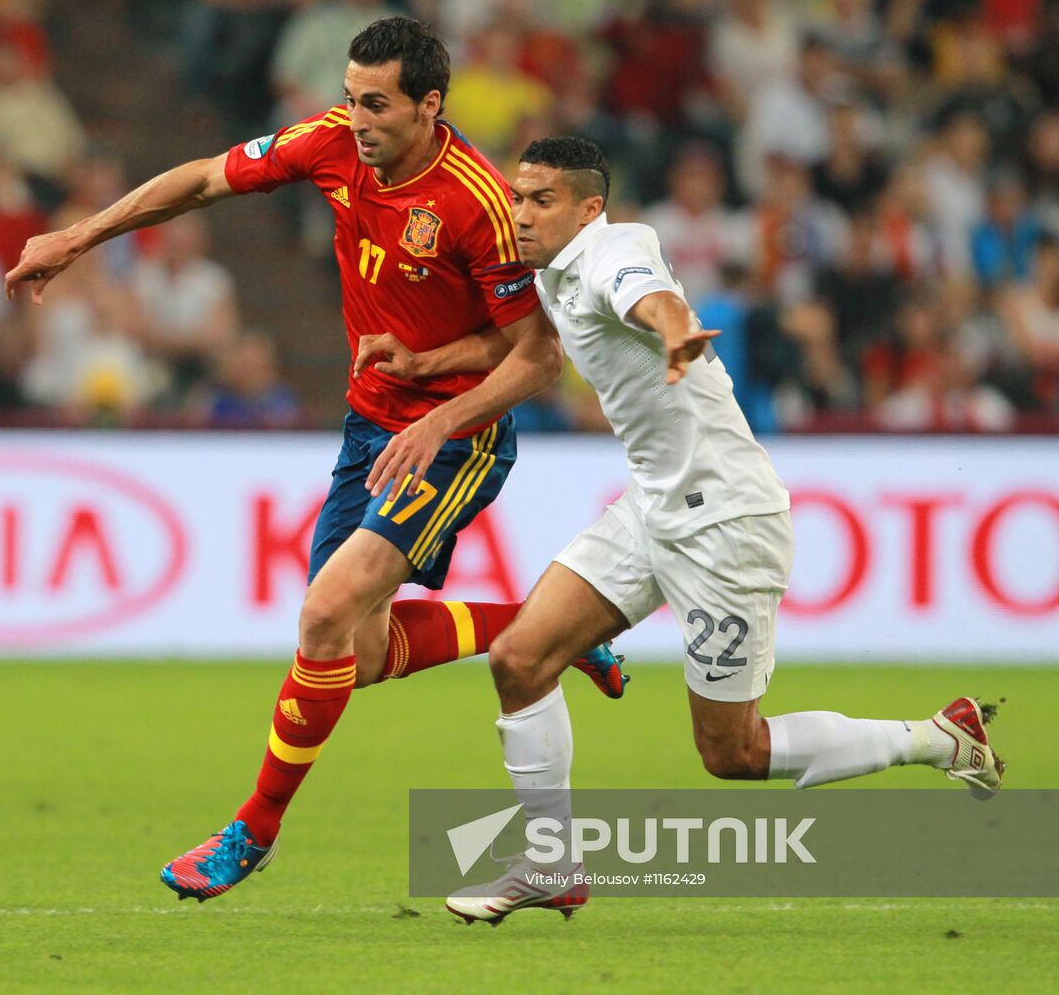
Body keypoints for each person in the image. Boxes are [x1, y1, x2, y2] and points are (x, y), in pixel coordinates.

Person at [3, 18, 625, 905]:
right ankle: (550, 630)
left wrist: (435, 414)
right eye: (350, 97)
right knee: (353, 654)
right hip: (369, 428)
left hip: (456, 439)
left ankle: (249, 834)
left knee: (325, 614)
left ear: (429, 106)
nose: (357, 118)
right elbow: (204, 179)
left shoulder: (478, 202)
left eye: (377, 104)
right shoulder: (331, 144)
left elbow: (532, 356)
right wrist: (79, 236)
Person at [359, 137, 1007, 925]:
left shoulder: (611, 256)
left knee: (732, 754)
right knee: (521, 658)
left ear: (589, 208)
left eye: (541, 201)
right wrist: (426, 363)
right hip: (654, 507)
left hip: (726, 525)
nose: (520, 214)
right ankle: (551, 864)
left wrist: (673, 332)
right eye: (518, 198)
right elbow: (533, 348)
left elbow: (647, 298)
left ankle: (939, 737)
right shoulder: (554, 272)